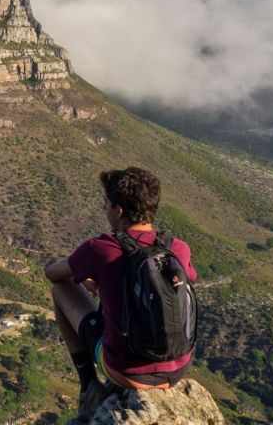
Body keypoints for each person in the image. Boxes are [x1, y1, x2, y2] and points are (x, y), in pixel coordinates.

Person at [44, 167, 198, 412]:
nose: (104, 209)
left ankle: (89, 385)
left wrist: (81, 276)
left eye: (106, 203)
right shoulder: (177, 248)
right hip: (179, 368)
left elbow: (53, 274)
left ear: (118, 210)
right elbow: (188, 279)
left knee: (60, 290)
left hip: (126, 372)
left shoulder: (101, 248)